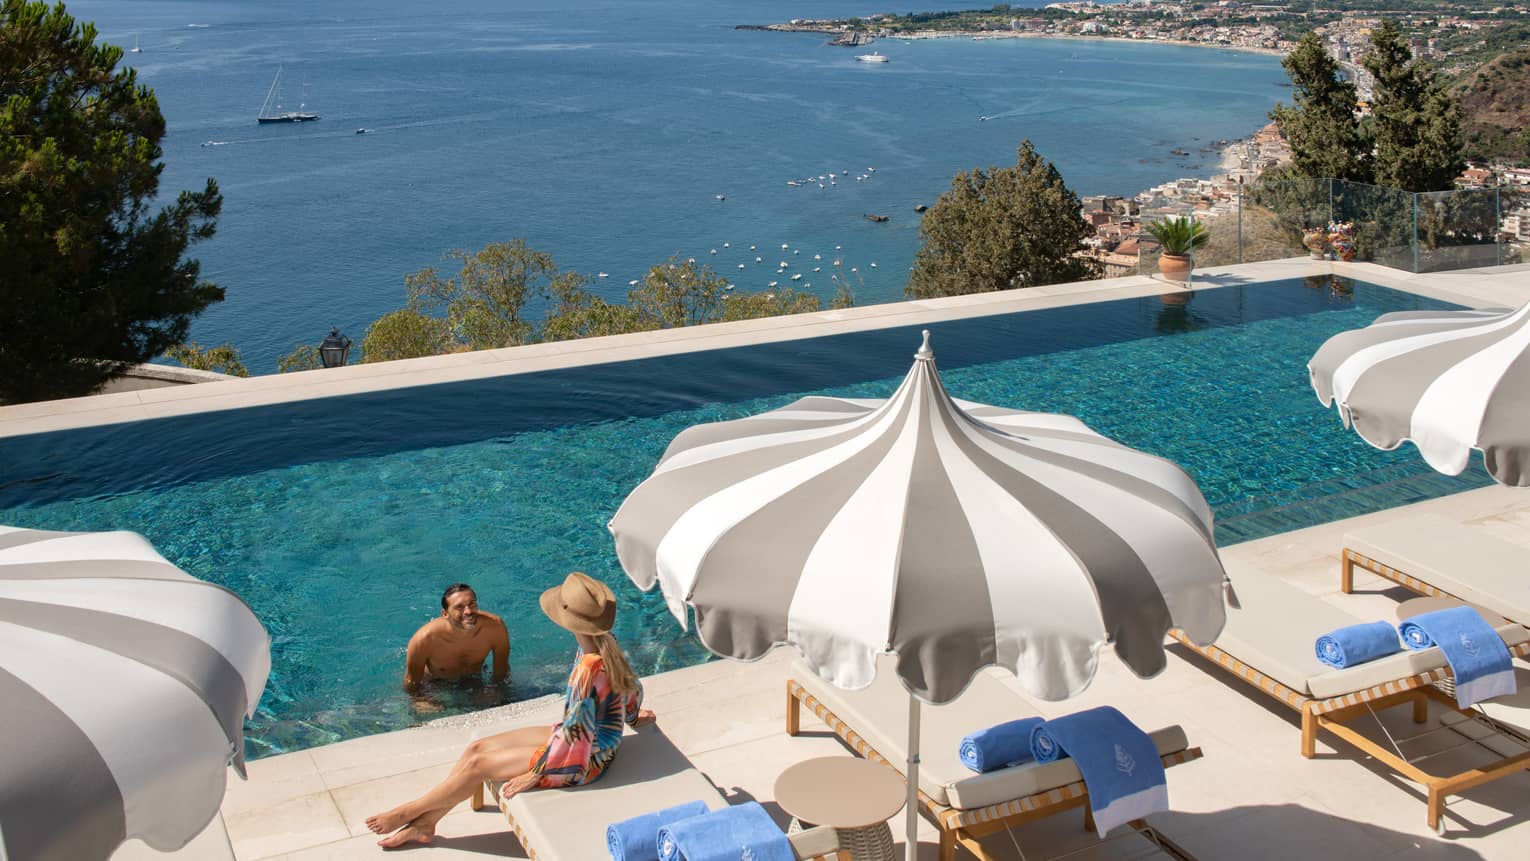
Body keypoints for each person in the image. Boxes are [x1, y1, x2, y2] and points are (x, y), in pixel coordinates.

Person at [367, 571, 654, 849]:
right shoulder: (606, 644)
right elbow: (631, 688)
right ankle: (427, 823)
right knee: (476, 749)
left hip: (584, 761)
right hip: (585, 743)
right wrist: (631, 715)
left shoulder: (587, 669)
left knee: (479, 766)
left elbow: (575, 735)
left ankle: (409, 813)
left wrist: (537, 772)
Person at [403, 583, 510, 694]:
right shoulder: (424, 639)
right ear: (445, 614)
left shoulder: (495, 627)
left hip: (474, 680)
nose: (468, 611)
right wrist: (421, 701)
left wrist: (495, 691)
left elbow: (501, 671)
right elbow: (411, 682)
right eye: (459, 607)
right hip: (435, 685)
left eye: (472, 604)